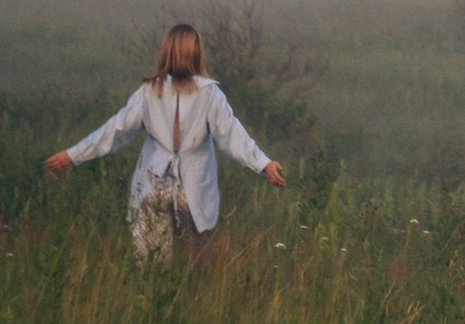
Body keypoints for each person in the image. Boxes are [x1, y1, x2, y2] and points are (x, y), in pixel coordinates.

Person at [44, 22, 285, 262]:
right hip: (193, 188)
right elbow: (232, 135)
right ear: (198, 52)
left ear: (166, 52)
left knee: (151, 266)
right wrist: (264, 164)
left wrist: (73, 155)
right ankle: (194, 297)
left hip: (153, 184)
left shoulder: (150, 91)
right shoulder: (210, 94)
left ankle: (152, 295)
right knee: (197, 265)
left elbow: (116, 131)